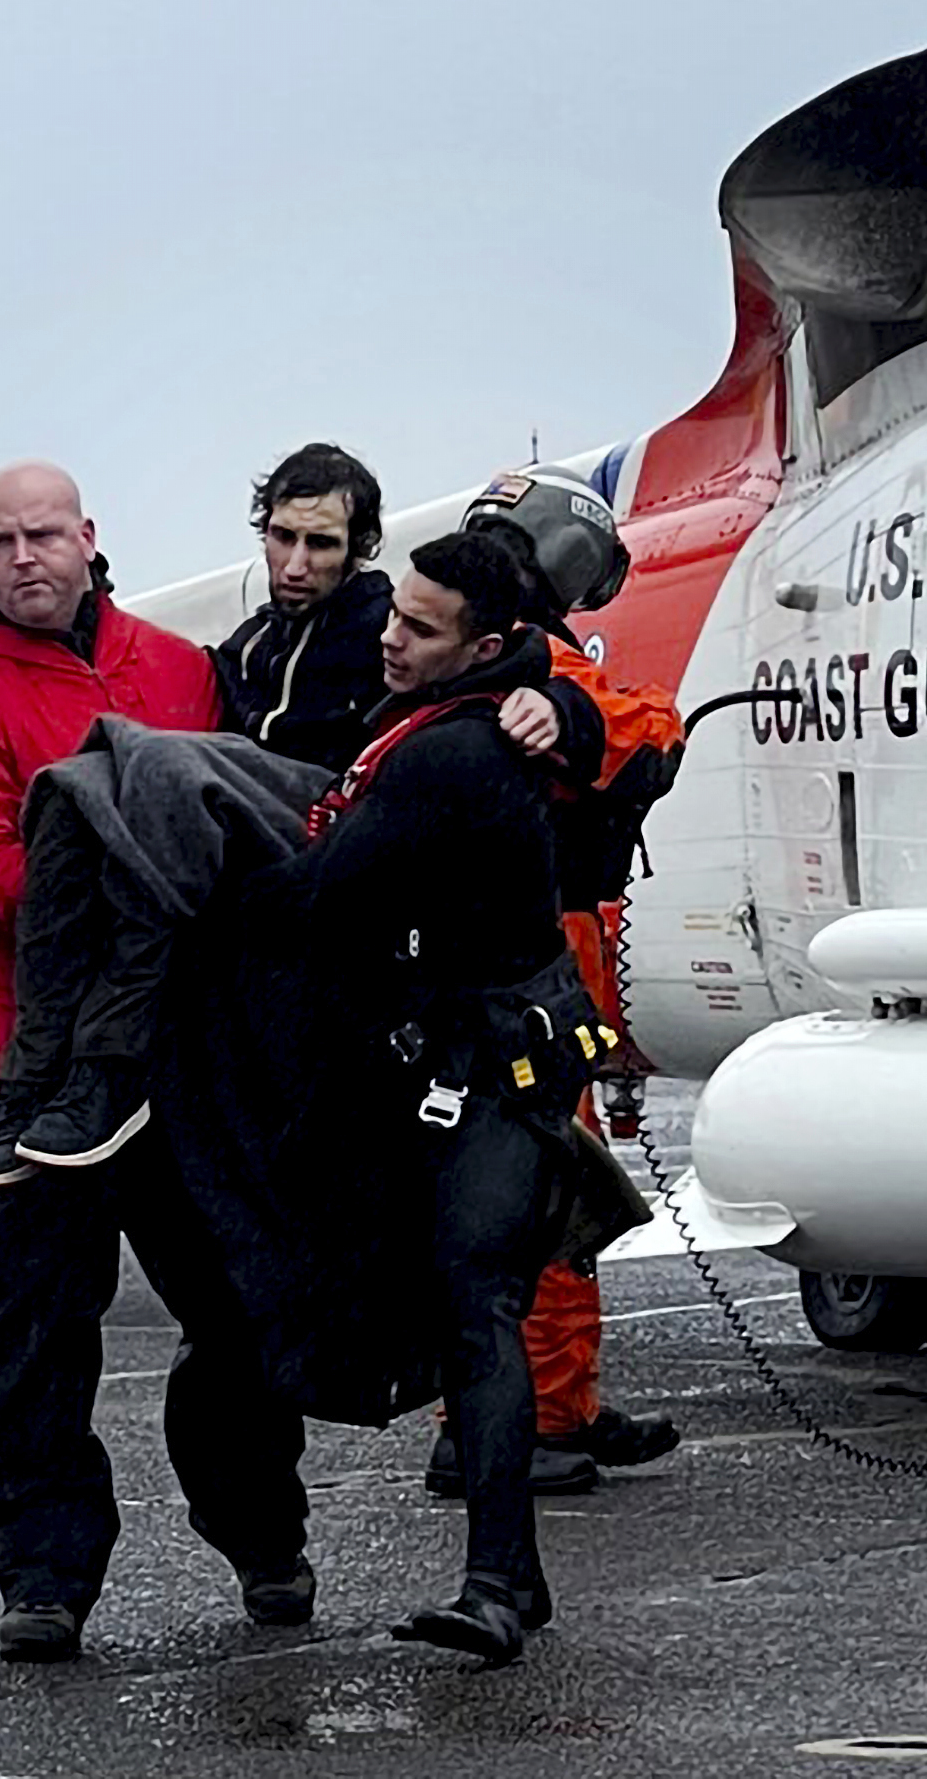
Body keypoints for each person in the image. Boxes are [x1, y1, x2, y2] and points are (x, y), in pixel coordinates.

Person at [0, 459, 309, 1662]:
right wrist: (132, 873)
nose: (20, 558)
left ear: (87, 539)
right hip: (29, 1066)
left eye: (40, 535)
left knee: (237, 1305)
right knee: (35, 1319)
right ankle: (44, 1570)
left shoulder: (179, 671)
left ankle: (262, 1534)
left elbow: (254, 817)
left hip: (182, 1055)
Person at [265, 528, 607, 1664]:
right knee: (471, 1306)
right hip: (482, 1051)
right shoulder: (448, 724)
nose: (389, 637)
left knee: (476, 1307)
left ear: (490, 645)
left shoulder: (450, 756)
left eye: (418, 627)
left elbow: (319, 897)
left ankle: (501, 1586)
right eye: (393, 614)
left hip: (493, 1064)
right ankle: (508, 1576)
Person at [434, 464, 685, 1498]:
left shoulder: (502, 668)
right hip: (534, 953)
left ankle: (557, 1404)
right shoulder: (531, 672)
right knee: (528, 1188)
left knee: (560, 1181)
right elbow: (649, 735)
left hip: (534, 949)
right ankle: (503, 1424)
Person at [213, 442, 394, 769]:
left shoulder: (391, 635)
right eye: (283, 536)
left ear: (358, 548)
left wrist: (521, 693)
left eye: (320, 543)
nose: (295, 567)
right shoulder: (246, 647)